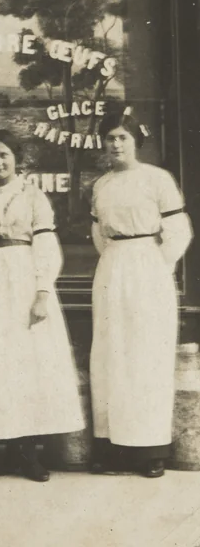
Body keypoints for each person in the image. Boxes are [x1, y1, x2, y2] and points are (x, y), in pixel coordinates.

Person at [0, 129, 84, 481]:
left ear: (16, 158)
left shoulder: (33, 196)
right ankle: (2, 451)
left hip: (25, 280)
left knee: (29, 364)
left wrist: (43, 292)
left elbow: (45, 246)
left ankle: (29, 453)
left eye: (4, 155)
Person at [90, 109, 193, 479]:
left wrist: (152, 268)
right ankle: (113, 448)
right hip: (112, 269)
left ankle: (150, 451)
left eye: (123, 138)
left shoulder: (157, 179)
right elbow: (99, 235)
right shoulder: (101, 185)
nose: (115, 144)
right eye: (110, 138)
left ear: (136, 142)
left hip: (148, 267)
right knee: (110, 356)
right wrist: (118, 263)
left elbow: (179, 232)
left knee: (146, 357)